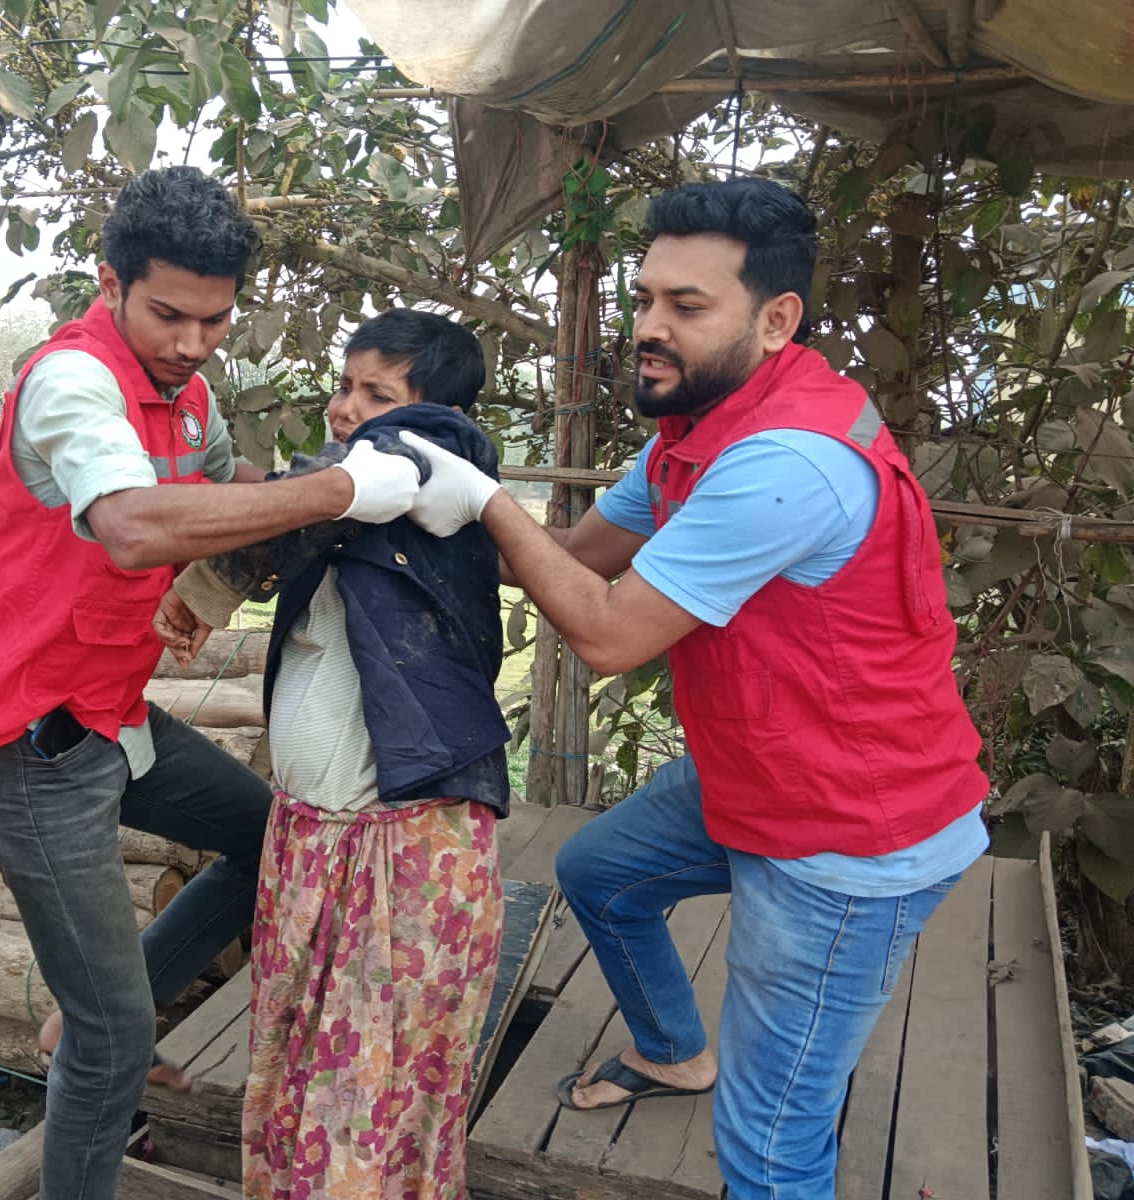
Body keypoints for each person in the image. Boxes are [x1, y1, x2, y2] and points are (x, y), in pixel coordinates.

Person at [395, 178, 990, 1198]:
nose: (649, 327)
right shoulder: (693, 431)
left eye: (686, 305)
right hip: (763, 767)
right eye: (644, 300)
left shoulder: (784, 463)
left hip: (846, 837)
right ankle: (674, 1050)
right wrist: (408, 510)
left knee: (770, 1143)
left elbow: (608, 632)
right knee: (600, 873)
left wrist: (484, 499)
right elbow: (577, 555)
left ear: (776, 319)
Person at [0, 167, 427, 1200]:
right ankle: (98, 1044)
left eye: (216, 319)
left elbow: (221, 485)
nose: (195, 342)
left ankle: (92, 1018)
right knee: (115, 1040)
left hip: (110, 719)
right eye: (169, 315)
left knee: (272, 839)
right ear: (111, 282)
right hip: (24, 746)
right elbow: (130, 523)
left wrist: (333, 481)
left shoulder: (186, 393)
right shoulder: (74, 382)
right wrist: (339, 489)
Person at [156, 309, 509, 1200]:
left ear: (436, 414)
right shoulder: (352, 507)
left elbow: (359, 468)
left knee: (362, 1100)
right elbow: (315, 505)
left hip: (399, 851)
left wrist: (208, 583)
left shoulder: (431, 458)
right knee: (306, 1080)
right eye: (345, 387)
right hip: (318, 842)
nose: (347, 408)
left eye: (375, 392)